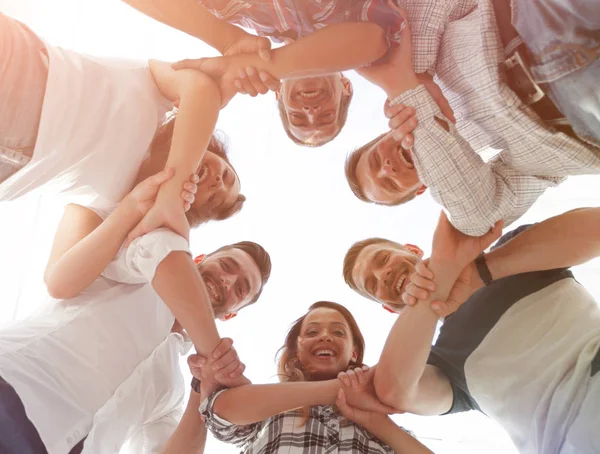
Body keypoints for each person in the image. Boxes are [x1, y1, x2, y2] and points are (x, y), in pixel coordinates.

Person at [0, 215, 271, 453]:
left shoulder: (172, 390)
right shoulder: (132, 274)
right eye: (226, 265)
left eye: (241, 289)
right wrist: (214, 349)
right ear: (198, 259)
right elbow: (157, 247)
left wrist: (202, 391)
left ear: (231, 314)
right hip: (12, 388)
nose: (228, 281)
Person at [344, 208, 600, 453]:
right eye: (372, 283)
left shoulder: (513, 251)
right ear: (390, 308)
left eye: (383, 259)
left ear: (412, 250)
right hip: (568, 442)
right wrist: (437, 281)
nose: (383, 275)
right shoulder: (444, 363)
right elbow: (394, 391)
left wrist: (481, 271)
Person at [343, 0, 600, 237]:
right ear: (422, 189)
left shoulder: (419, 59)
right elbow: (481, 218)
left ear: (382, 135)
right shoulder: (508, 170)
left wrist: (416, 73)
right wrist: (407, 91)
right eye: (390, 183)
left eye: (376, 160)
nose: (387, 168)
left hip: (538, 19)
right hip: (582, 118)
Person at [0, 12, 244, 243]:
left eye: (213, 199)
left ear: (190, 208)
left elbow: (60, 282)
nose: (217, 183)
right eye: (225, 175)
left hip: (13, 171)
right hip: (27, 74)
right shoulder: (162, 97)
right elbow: (203, 89)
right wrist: (172, 189)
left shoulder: (131, 203)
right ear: (214, 150)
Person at [123, 0, 407, 147]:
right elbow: (376, 37)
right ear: (346, 86)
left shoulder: (235, 17)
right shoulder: (354, 26)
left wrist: (227, 40)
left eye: (298, 116)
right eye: (325, 115)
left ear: (277, 92)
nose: (310, 111)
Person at [184, 300, 432, 453]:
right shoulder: (270, 406)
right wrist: (340, 390)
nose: (325, 336)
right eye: (312, 331)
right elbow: (221, 412)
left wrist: (377, 422)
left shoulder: (381, 425)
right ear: (297, 351)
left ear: (353, 352)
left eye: (338, 331)